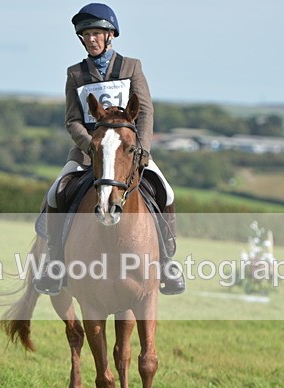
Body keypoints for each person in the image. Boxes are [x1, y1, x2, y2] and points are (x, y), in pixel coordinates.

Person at [33, 2, 185, 296]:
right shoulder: (75, 73)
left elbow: (146, 113)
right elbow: (72, 120)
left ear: (110, 35)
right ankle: (54, 263)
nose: (91, 39)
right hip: (89, 152)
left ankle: (167, 262)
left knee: (166, 191)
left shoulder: (131, 67)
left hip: (128, 154)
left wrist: (140, 150)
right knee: (55, 193)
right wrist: (91, 146)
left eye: (96, 34)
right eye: (86, 34)